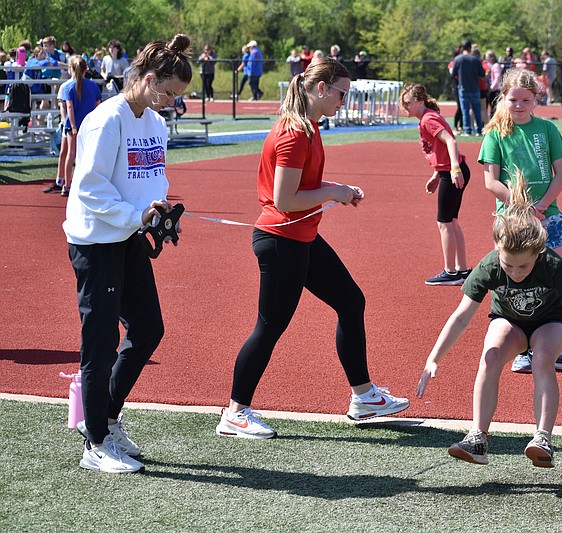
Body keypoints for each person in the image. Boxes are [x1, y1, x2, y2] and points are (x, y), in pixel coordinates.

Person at [215, 58, 409, 439]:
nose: (344, 100)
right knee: (269, 328)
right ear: (321, 89)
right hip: (281, 241)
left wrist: (338, 189)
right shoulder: (295, 133)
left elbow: (301, 187)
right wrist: (335, 192)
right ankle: (235, 413)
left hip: (300, 238)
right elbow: (285, 198)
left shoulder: (310, 127)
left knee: (351, 301)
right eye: (341, 93)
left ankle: (364, 397)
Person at [64, 34, 193, 474]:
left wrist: (158, 211)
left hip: (130, 236)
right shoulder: (106, 120)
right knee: (100, 342)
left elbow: (153, 178)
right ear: (151, 78)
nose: (173, 103)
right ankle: (95, 443)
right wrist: (138, 216)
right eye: (171, 93)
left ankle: (107, 418)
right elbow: (90, 189)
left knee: (148, 328)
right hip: (97, 242)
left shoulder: (153, 123)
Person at [415, 171, 562, 467]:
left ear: (538, 252)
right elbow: (462, 316)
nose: (515, 272)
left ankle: (543, 438)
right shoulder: (490, 264)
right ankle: (477, 438)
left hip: (550, 323)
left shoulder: (551, 263)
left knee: (541, 359)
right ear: (497, 252)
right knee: (489, 357)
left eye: (523, 266)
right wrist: (434, 358)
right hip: (509, 320)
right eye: (508, 265)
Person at [477, 68, 562, 374]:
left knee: (555, 277)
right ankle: (523, 349)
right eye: (513, 99)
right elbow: (491, 181)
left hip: (547, 217)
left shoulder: (547, 130)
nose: (520, 104)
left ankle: (561, 346)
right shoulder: (496, 134)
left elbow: (561, 173)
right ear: (504, 98)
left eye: (526, 99)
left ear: (536, 99)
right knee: (515, 280)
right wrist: (521, 204)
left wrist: (542, 205)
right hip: (512, 221)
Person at [400, 83, 471, 286]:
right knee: (452, 220)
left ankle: (451, 272)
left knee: (444, 222)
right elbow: (441, 150)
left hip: (454, 171)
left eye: (408, 103)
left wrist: (453, 169)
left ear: (420, 102)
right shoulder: (428, 116)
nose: (405, 107)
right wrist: (437, 174)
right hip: (450, 170)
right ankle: (462, 269)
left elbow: (450, 141)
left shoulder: (428, 119)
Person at [60, 55, 102, 197]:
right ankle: (86, 184)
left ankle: (66, 185)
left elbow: (69, 108)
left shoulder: (68, 87)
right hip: (89, 125)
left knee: (71, 154)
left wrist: (73, 126)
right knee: (88, 155)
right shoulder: (93, 86)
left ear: (71, 69)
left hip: (74, 125)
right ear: (85, 70)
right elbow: (98, 106)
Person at [451, 39, 483, 136]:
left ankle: (467, 130)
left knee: (465, 110)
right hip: (475, 88)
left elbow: (453, 74)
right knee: (477, 110)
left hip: (463, 88)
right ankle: (479, 130)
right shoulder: (475, 59)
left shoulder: (457, 59)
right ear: (470, 48)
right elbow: (481, 73)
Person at [485, 50, 503, 117]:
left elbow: (497, 78)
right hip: (494, 90)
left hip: (495, 90)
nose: (486, 59)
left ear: (492, 57)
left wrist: (491, 88)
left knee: (494, 109)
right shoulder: (493, 66)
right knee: (492, 108)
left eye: (487, 57)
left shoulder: (496, 66)